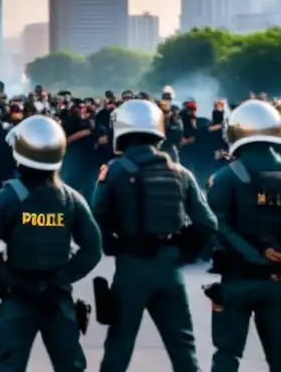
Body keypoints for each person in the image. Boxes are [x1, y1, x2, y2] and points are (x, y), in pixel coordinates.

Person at [91, 99, 218, 372]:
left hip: (131, 267)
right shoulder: (181, 173)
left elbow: (96, 214)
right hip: (170, 268)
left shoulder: (114, 171)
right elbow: (207, 223)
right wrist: (184, 253)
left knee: (119, 347)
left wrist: (112, 245)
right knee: (183, 349)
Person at [0, 115, 102, 372]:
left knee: (10, 367)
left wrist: (11, 282)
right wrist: (60, 278)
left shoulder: (5, 199)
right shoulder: (71, 199)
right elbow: (92, 250)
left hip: (17, 296)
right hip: (58, 297)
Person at [205, 99, 281, 371]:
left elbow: (217, 227)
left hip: (237, 280)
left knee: (226, 355)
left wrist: (256, 259)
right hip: (278, 281)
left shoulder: (225, 176)